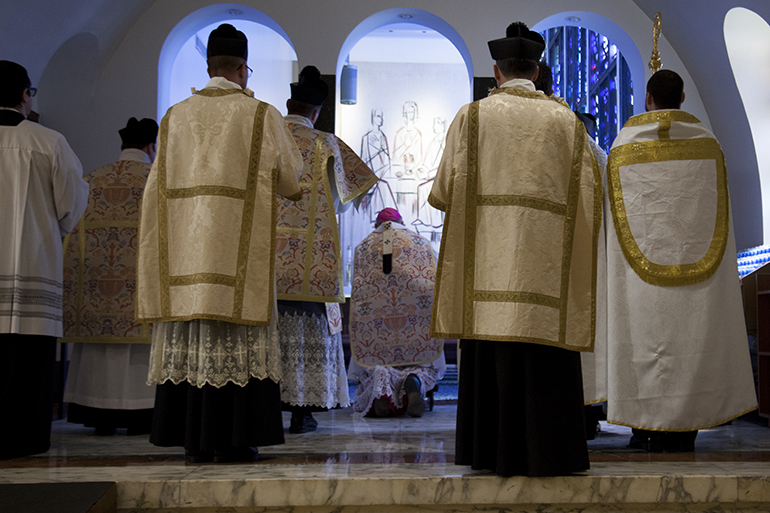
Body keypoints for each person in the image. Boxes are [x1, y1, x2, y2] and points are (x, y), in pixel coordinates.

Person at [429, 22, 601, 477]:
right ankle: (551, 451)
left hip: (488, 273)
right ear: (538, 70)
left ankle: (490, 451)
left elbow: (443, 192)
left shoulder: (473, 117)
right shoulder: (566, 120)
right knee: (545, 351)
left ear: (496, 72)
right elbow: (590, 197)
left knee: (491, 344)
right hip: (544, 276)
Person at [136, 24, 303, 463]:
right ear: (243, 70)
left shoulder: (175, 116)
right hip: (237, 254)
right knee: (237, 333)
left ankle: (192, 437)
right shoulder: (262, 115)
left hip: (186, 253)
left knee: (193, 336)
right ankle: (235, 437)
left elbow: (154, 192)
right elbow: (291, 178)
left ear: (208, 66)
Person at [605, 69, 757, 452]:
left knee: (647, 343)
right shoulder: (709, 145)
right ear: (684, 97)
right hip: (696, 269)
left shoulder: (623, 147)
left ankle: (645, 426)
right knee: (690, 345)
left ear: (647, 99)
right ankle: (686, 427)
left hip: (639, 277)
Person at [275, 65, 377, 433]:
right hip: (311, 260)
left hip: (267, 262)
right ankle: (303, 411)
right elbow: (354, 195)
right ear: (315, 112)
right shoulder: (325, 143)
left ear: (288, 103)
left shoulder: (268, 139)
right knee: (308, 332)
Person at [0, 60, 89, 459]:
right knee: (29, 360)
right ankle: (25, 439)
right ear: (25, 95)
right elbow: (71, 207)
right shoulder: (47, 142)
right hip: (31, 265)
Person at [61, 117, 159, 436]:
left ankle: (98, 412)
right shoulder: (157, 179)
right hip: (140, 290)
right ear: (151, 147)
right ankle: (140, 413)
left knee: (101, 350)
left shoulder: (92, 179)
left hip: (97, 289)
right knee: (138, 351)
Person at [348, 208, 445, 418]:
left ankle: (381, 393)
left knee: (375, 366)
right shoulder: (422, 244)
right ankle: (414, 381)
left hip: (377, 330)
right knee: (421, 365)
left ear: (376, 225)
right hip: (415, 327)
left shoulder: (363, 247)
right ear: (402, 222)